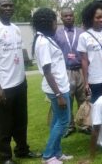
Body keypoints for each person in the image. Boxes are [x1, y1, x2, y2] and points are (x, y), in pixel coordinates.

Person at [0, 0, 40, 164]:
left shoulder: (15, 28)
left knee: (21, 121)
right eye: (4, 5)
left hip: (20, 83)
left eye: (10, 5)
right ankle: (5, 157)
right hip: (4, 87)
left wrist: (23, 79)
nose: (8, 8)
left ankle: (22, 150)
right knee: (3, 125)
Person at [32, 8, 72, 163]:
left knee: (57, 121)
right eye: (55, 20)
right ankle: (48, 156)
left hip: (61, 87)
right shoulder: (42, 42)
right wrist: (58, 95)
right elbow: (47, 72)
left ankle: (57, 152)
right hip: (57, 90)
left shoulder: (46, 39)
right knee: (63, 122)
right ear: (48, 22)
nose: (57, 23)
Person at [54, 7, 86, 137]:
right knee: (68, 99)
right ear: (61, 18)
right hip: (65, 71)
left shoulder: (82, 32)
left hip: (81, 70)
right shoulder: (57, 34)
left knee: (83, 98)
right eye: (65, 16)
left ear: (74, 16)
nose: (68, 18)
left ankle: (83, 124)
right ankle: (69, 126)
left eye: (70, 15)